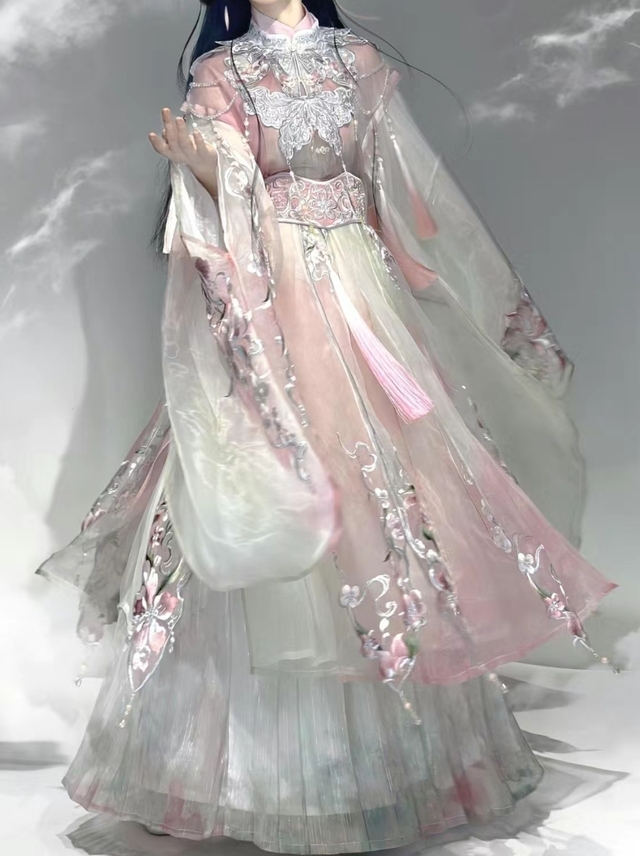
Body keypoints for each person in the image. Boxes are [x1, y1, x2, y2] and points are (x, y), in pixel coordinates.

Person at [38, 0, 617, 850]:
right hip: (273, 304)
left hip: (363, 303)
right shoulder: (223, 72)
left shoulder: (360, 65)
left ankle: (400, 762)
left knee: (389, 493)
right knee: (275, 479)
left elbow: (405, 193)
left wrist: (444, 286)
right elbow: (221, 208)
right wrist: (208, 175)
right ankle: (244, 771)